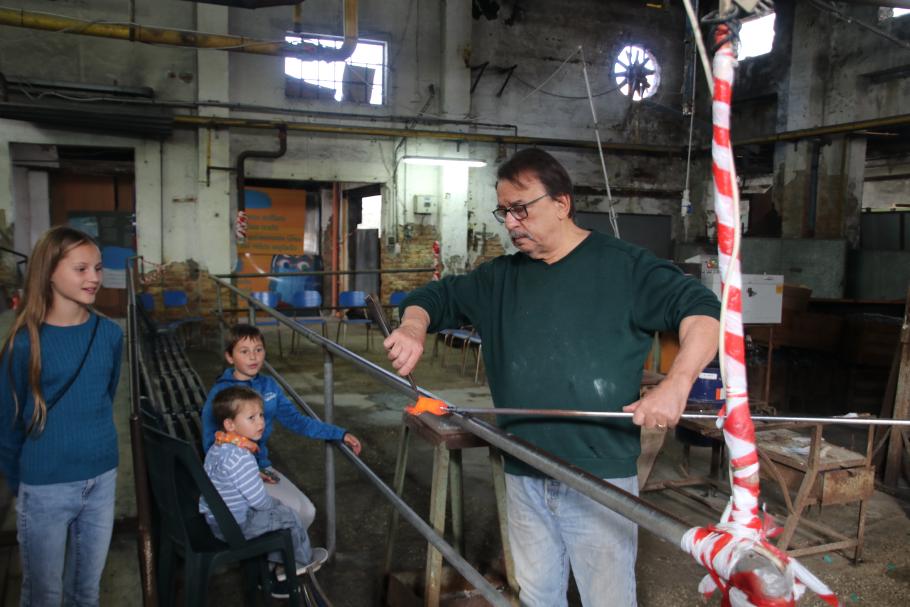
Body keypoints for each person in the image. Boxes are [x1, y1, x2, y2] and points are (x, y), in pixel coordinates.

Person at [384, 148, 720, 607]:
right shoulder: (499, 278)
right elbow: (431, 296)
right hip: (523, 467)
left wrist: (678, 382)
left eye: (521, 209)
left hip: (598, 476)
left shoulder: (625, 267)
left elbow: (703, 312)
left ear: (561, 204)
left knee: (608, 600)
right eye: (504, 211)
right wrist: (413, 327)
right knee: (540, 596)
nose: (511, 223)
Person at [0, 226, 124, 607]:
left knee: (86, 591)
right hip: (44, 486)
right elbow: (8, 427)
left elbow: (105, 395)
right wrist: (26, 486)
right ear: (50, 271)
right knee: (44, 594)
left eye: (98, 268)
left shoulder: (109, 334)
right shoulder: (23, 342)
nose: (94, 279)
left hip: (101, 479)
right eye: (81, 268)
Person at [201, 324, 361, 530]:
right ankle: (273, 558)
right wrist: (245, 471)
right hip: (234, 473)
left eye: (258, 350)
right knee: (292, 512)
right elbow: (209, 439)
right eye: (244, 351)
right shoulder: (220, 393)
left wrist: (339, 433)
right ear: (230, 357)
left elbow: (297, 421)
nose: (253, 357)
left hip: (261, 466)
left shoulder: (269, 386)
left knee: (307, 512)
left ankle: (278, 559)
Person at [201, 386, 326, 595]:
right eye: (251, 418)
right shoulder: (243, 457)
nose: (260, 422)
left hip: (216, 520)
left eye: (261, 415)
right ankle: (300, 562)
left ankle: (275, 565)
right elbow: (259, 502)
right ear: (230, 424)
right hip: (236, 526)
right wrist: (275, 505)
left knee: (275, 517)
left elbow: (224, 476)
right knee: (287, 515)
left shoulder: (218, 447)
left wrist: (251, 477)